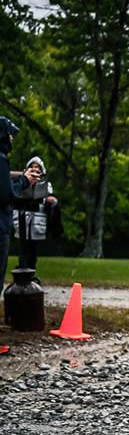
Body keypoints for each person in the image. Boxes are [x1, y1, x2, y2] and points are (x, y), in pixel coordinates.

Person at [0, 116, 35, 356]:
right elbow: (5, 195)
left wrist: (17, 174)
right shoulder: (0, 158)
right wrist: (24, 181)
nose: (11, 138)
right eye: (10, 134)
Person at [12, 157, 58, 278]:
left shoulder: (45, 185)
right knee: (22, 249)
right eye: (32, 167)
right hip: (22, 221)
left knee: (33, 251)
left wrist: (50, 200)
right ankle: (21, 272)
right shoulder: (21, 182)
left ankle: (31, 273)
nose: (34, 169)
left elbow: (49, 199)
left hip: (37, 223)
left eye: (37, 168)